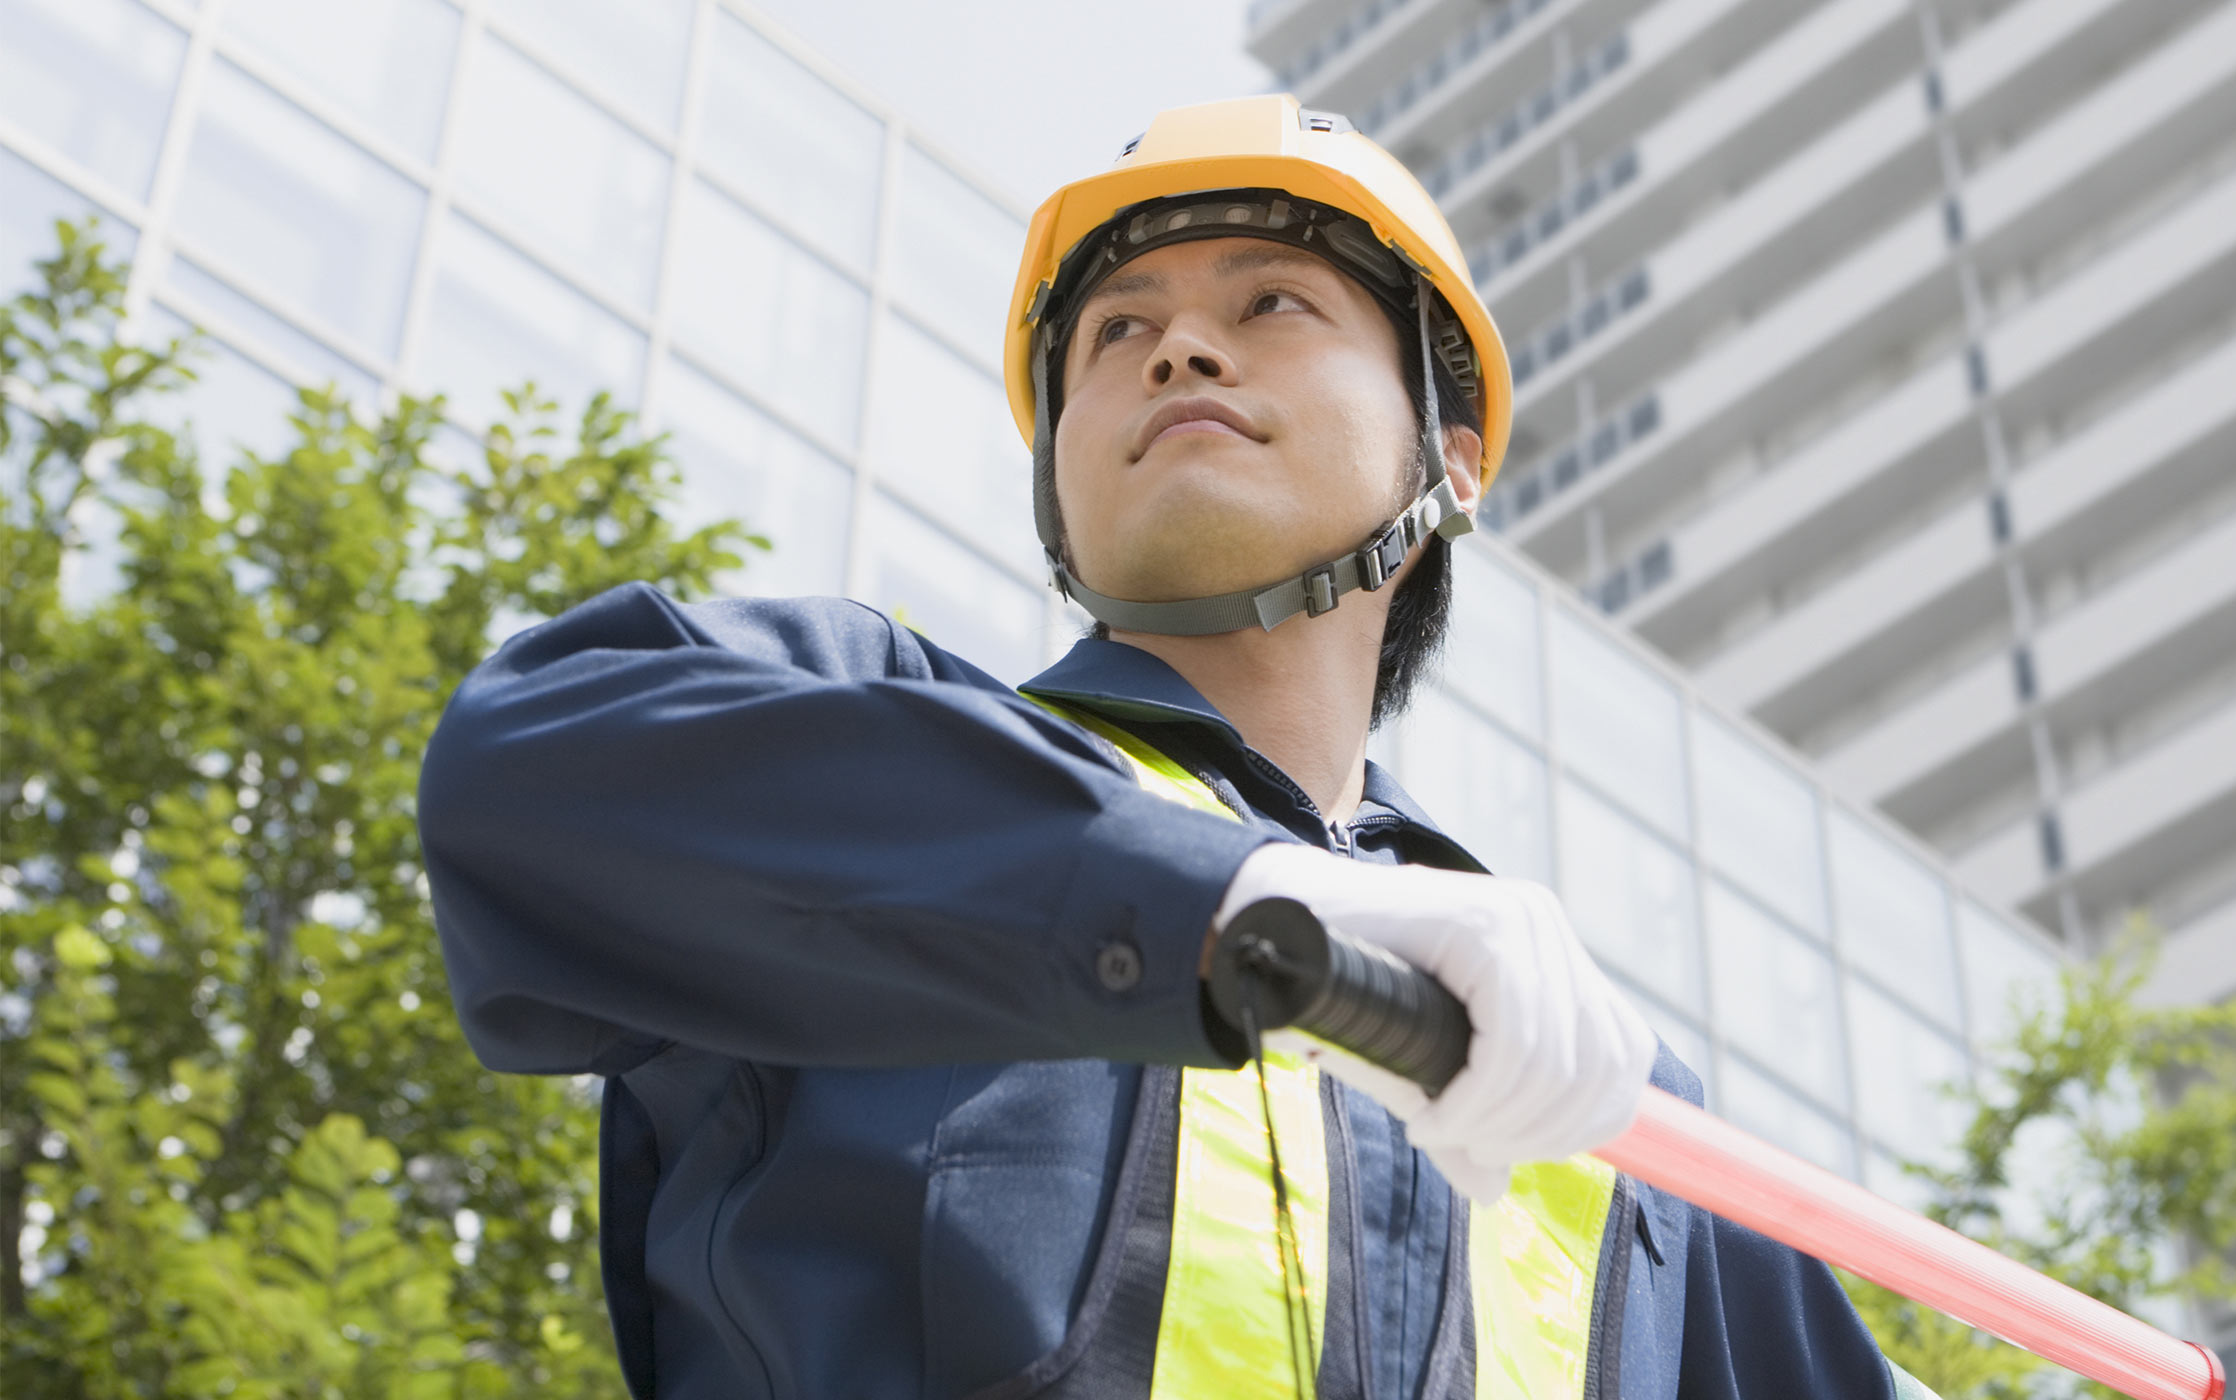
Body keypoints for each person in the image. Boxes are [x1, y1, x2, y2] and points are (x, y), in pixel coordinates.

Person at [419, 95, 1938, 1400]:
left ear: (1453, 459)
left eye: (1272, 302)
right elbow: (524, 766)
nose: (1177, 352)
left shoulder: (1618, 1095)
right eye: (1118, 333)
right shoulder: (876, 746)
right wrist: (1224, 908)